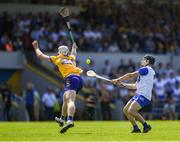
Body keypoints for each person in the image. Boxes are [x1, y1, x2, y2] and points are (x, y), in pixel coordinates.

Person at [32, 40, 83, 133]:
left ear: (59, 52)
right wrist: (74, 48)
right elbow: (74, 53)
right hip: (79, 79)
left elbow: (40, 56)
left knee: (71, 100)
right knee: (65, 98)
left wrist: (36, 47)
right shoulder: (71, 57)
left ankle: (70, 120)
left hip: (71, 78)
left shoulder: (58, 58)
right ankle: (62, 119)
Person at [112, 55, 155, 133]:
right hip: (139, 94)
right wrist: (122, 84)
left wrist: (117, 79)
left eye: (143, 59)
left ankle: (146, 125)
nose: (142, 60)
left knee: (131, 110)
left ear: (147, 61)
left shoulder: (146, 69)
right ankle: (136, 128)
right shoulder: (144, 74)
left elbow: (130, 75)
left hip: (144, 95)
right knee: (125, 110)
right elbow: (135, 86)